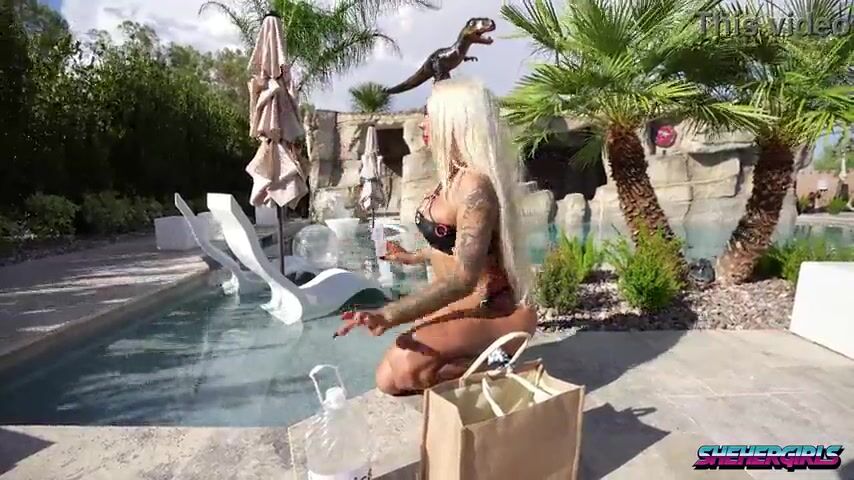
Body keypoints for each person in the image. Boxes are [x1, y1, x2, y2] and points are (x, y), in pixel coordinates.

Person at [335, 78, 537, 395]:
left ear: (455, 122)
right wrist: (411, 256)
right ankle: (483, 362)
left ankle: (504, 367)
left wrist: (389, 314)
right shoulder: (450, 178)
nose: (423, 124)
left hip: (498, 310)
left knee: (405, 368)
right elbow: (451, 248)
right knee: (387, 377)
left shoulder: (474, 186)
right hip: (468, 303)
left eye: (430, 115)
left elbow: (464, 278)